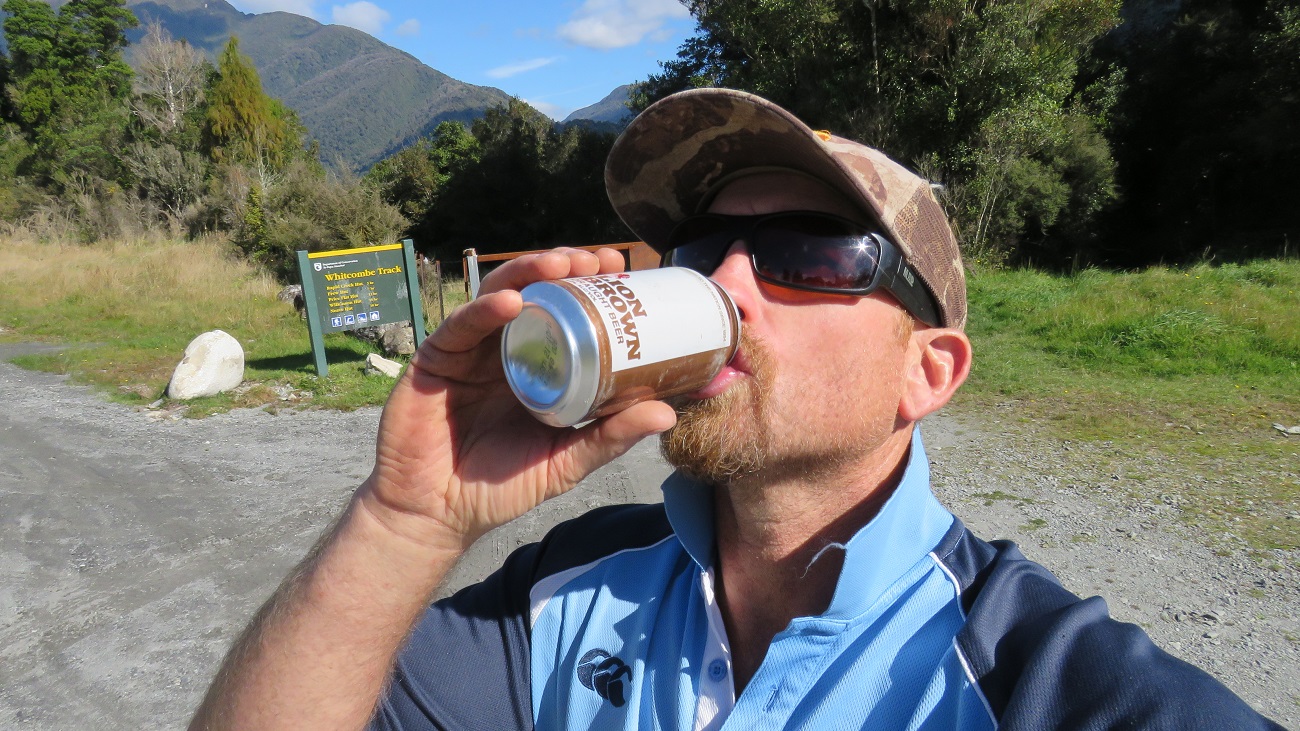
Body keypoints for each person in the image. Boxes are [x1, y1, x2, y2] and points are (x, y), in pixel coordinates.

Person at [189, 89, 1282, 731]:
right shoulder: (567, 595)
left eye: (813, 253)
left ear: (929, 373)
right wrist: (406, 518)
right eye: (707, 248)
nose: (727, 287)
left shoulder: (1029, 671)